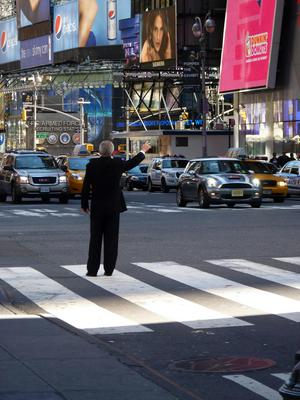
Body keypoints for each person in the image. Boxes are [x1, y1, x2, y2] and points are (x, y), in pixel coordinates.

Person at [81, 140, 151, 277]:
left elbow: (85, 185)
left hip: (97, 206)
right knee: (111, 239)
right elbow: (132, 163)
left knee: (95, 239)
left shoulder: (92, 165)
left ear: (100, 152)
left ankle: (92, 270)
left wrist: (84, 204)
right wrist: (143, 151)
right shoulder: (117, 164)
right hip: (113, 206)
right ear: (112, 151)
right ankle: (109, 269)